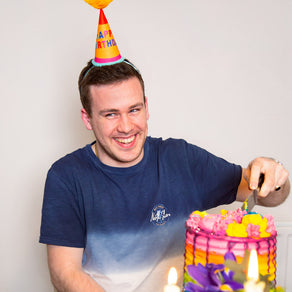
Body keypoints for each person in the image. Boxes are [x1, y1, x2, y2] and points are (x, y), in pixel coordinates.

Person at [39, 59, 290, 292]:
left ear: (147, 108)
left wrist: (275, 178)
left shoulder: (181, 158)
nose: (126, 126)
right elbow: (64, 272)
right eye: (110, 114)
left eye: (134, 109)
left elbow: (265, 196)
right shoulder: (66, 177)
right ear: (88, 118)